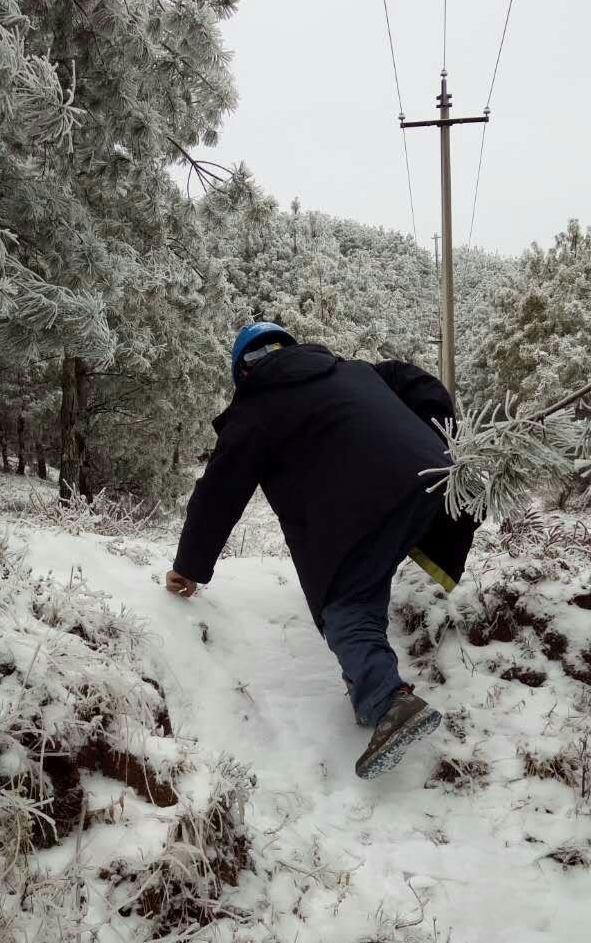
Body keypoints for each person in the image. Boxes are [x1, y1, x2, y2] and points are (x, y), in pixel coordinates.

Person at [166, 322, 480, 779]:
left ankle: (390, 702)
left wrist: (188, 566)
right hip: (434, 479)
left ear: (243, 373)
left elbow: (218, 494)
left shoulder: (256, 409)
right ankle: (366, 680)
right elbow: (420, 382)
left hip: (358, 508)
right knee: (366, 569)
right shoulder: (355, 370)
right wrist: (438, 440)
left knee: (347, 605)